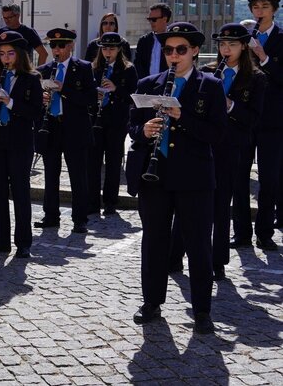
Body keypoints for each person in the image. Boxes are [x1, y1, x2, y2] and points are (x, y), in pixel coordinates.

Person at [127, 22, 226, 334]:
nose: (174, 55)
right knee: (154, 241)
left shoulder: (210, 86)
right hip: (155, 175)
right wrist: (143, 131)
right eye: (169, 49)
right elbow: (132, 127)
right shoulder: (148, 83)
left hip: (194, 178)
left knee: (198, 245)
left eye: (181, 49)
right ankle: (151, 302)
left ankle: (202, 310)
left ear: (194, 51)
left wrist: (183, 117)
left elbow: (217, 134)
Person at [182, 23, 265, 280]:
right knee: (191, 202)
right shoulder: (207, 73)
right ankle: (180, 253)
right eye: (222, 45)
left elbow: (253, 119)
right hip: (202, 144)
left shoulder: (256, 78)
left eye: (232, 45)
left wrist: (230, 106)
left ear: (244, 47)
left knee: (220, 205)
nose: (225, 49)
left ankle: (217, 260)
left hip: (230, 147)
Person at [0, 32, 43, 258]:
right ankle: (1, 240)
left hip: (19, 142)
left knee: (20, 191)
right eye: (2, 54)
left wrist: (10, 102)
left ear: (20, 55)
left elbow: (36, 112)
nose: (5, 58)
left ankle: (24, 242)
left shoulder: (32, 78)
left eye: (10, 54)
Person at [34, 28, 96, 234]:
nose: (56, 50)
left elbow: (90, 99)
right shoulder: (43, 70)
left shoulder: (83, 68)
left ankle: (80, 219)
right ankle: (51, 216)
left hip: (75, 129)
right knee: (51, 174)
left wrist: (64, 90)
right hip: (51, 126)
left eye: (61, 45)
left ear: (71, 46)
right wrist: (42, 100)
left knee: (78, 175)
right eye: (53, 45)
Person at [246, 0, 283, 251]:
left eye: (265, 6)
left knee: (269, 179)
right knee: (238, 178)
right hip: (245, 117)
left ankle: (264, 232)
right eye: (256, 7)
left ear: (274, 10)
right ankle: (240, 233)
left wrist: (265, 58)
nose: (259, 11)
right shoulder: (243, 37)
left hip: (273, 120)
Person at [87, 32, 138, 216]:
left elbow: (133, 96)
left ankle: (110, 202)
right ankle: (92, 202)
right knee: (93, 162)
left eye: (112, 48)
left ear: (119, 49)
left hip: (117, 120)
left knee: (113, 161)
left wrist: (115, 89)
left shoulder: (128, 69)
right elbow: (85, 92)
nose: (108, 52)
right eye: (105, 48)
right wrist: (96, 95)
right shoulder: (93, 68)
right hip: (96, 120)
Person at [133, 3, 172, 79]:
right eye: (149, 19)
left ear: (165, 19)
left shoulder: (173, 40)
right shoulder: (144, 41)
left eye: (154, 20)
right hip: (147, 84)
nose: (151, 22)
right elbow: (138, 66)